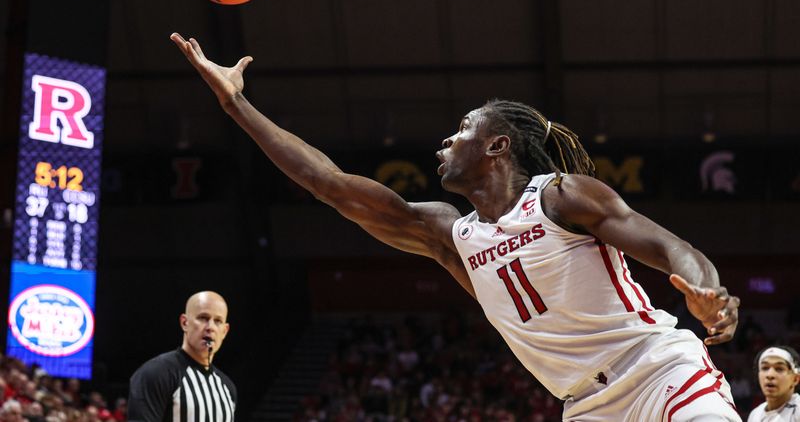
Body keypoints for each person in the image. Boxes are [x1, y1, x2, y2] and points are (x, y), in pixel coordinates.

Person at [171, 33, 742, 421]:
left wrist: (708, 290)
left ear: (497, 145)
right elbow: (330, 183)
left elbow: (673, 248)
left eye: (463, 128)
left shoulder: (563, 194)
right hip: (586, 406)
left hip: (660, 372)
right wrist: (236, 106)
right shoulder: (451, 235)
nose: (446, 140)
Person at [128, 291, 236, 422]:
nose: (210, 327)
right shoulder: (155, 374)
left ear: (224, 331)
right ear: (184, 323)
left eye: (218, 321)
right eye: (203, 318)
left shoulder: (227, 388)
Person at [747, 346, 800, 421]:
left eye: (779, 369)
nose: (770, 375)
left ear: (795, 379)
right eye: (765, 368)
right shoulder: (755, 414)